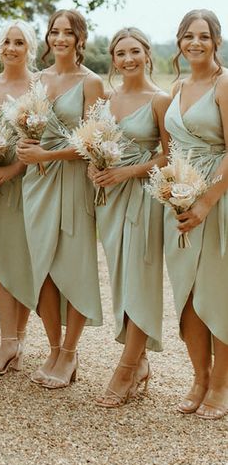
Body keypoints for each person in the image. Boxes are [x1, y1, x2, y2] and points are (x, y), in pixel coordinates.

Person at [17, 9, 105, 389]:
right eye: (55, 32)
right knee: (43, 269)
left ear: (80, 39)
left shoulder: (92, 83)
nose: (60, 39)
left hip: (71, 180)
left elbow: (93, 143)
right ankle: (54, 347)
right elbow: (25, 127)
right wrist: (24, 145)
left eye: (69, 33)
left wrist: (47, 156)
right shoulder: (36, 80)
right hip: (36, 183)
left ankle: (70, 353)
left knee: (74, 264)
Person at [90, 28, 169, 407]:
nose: (127, 59)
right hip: (108, 198)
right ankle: (139, 363)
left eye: (134, 51)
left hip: (142, 197)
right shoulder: (108, 98)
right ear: (113, 59)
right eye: (120, 53)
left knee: (138, 279)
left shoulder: (160, 100)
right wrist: (96, 167)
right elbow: (98, 143)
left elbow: (169, 156)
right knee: (121, 278)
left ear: (147, 53)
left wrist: (126, 172)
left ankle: (124, 368)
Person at [163, 9, 228, 420]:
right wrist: (173, 189)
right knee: (186, 293)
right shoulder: (178, 86)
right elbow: (171, 149)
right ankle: (199, 378)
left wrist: (206, 202)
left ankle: (222, 383)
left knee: (217, 292)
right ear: (180, 42)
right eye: (188, 36)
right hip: (181, 197)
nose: (195, 43)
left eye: (203, 36)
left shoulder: (225, 84)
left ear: (216, 41)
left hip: (218, 199)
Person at [0, 21, 36, 376]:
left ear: (29, 47)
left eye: (19, 42)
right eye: (7, 42)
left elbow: (43, 139)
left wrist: (14, 170)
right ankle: (12, 340)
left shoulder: (38, 87)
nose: (12, 48)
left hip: (23, 183)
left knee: (20, 261)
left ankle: (12, 341)